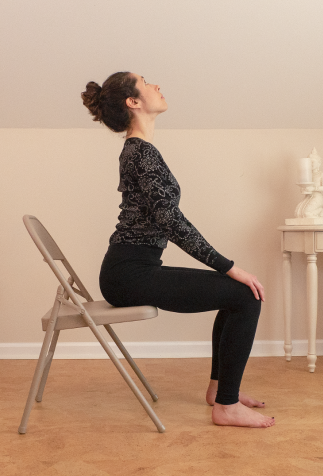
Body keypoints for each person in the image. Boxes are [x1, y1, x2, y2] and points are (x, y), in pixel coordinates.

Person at [81, 72, 273, 428]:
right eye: (146, 82)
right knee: (246, 295)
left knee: (238, 296)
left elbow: (167, 220)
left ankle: (221, 391)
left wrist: (226, 270)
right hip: (128, 274)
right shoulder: (141, 154)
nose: (156, 86)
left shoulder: (140, 151)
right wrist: (229, 266)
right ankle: (226, 405)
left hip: (131, 269)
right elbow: (172, 222)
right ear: (133, 102)